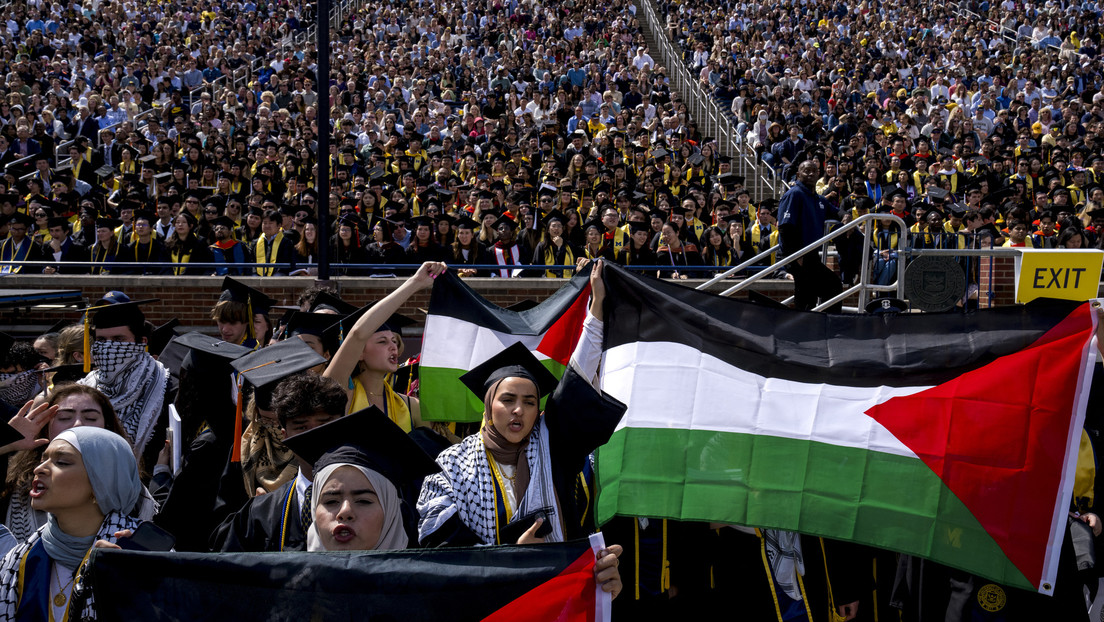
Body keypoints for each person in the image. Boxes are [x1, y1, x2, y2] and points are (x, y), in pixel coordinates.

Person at [418, 261, 625, 547]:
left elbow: (578, 376)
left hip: (555, 583)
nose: (519, 410)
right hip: (495, 590)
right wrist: (513, 558)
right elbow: (440, 544)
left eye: (529, 402)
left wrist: (597, 306)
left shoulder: (551, 447)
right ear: (488, 407)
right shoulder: (453, 466)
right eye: (507, 399)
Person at [0, 426, 145, 622]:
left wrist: (132, 577)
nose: (38, 469)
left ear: (100, 483)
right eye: (44, 459)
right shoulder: (18, 560)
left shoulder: (144, 554)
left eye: (61, 462)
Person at [323, 262, 447, 430]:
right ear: (359, 352)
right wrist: (416, 282)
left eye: (394, 341)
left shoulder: (412, 407)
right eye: (382, 341)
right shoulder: (342, 393)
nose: (393, 347)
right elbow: (358, 334)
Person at [76, 298, 174, 470]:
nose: (108, 348)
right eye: (101, 340)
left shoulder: (167, 388)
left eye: (118, 339)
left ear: (142, 342)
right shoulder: (83, 389)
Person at [778, 160, 843, 312]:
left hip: (811, 254)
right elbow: (785, 227)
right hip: (798, 254)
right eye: (806, 171)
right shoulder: (794, 194)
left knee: (815, 292)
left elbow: (835, 211)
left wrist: (845, 216)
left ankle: (816, 327)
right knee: (828, 287)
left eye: (814, 171)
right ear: (798, 174)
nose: (811, 174)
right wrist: (796, 255)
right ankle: (824, 326)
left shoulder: (817, 198)